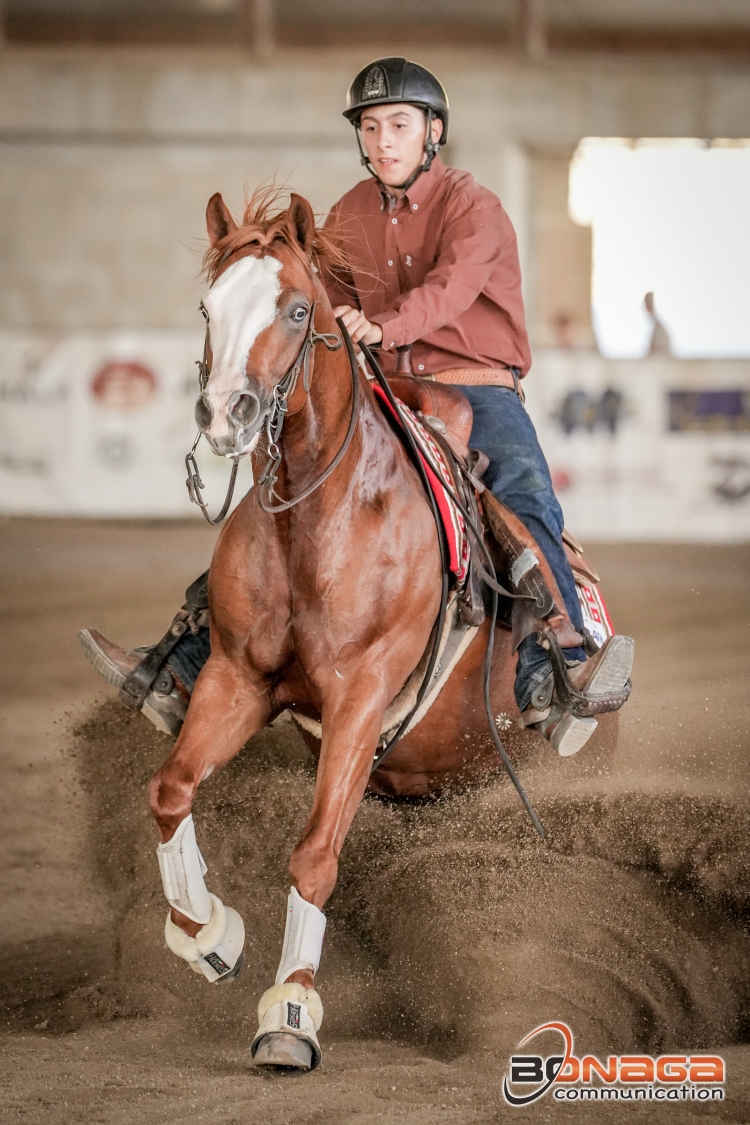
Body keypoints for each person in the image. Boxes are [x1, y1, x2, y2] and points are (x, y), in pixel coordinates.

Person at [80, 57, 633, 757]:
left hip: (475, 385)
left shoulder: (474, 206)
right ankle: (184, 661)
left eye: (399, 125)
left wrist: (389, 326)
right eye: (370, 127)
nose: (383, 141)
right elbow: (320, 299)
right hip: (386, 388)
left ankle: (554, 667)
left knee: (521, 493)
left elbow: (454, 288)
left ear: (433, 132)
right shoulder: (346, 214)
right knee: (286, 502)